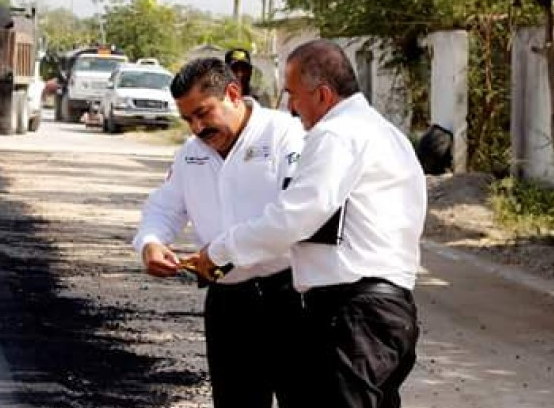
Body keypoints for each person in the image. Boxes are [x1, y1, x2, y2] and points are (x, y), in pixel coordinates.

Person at [187, 39, 426, 408]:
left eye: (293, 95)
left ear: (324, 94)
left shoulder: (336, 134)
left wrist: (220, 252)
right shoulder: (385, 133)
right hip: (389, 310)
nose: (290, 107)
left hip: (354, 314)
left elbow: (295, 215)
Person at [132, 56, 308, 408]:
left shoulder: (285, 135)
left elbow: (295, 215)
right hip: (228, 302)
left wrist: (222, 251)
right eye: (187, 119)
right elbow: (163, 208)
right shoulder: (190, 154)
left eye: (203, 113)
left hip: (289, 298)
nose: (196, 128)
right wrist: (150, 242)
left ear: (232, 92)